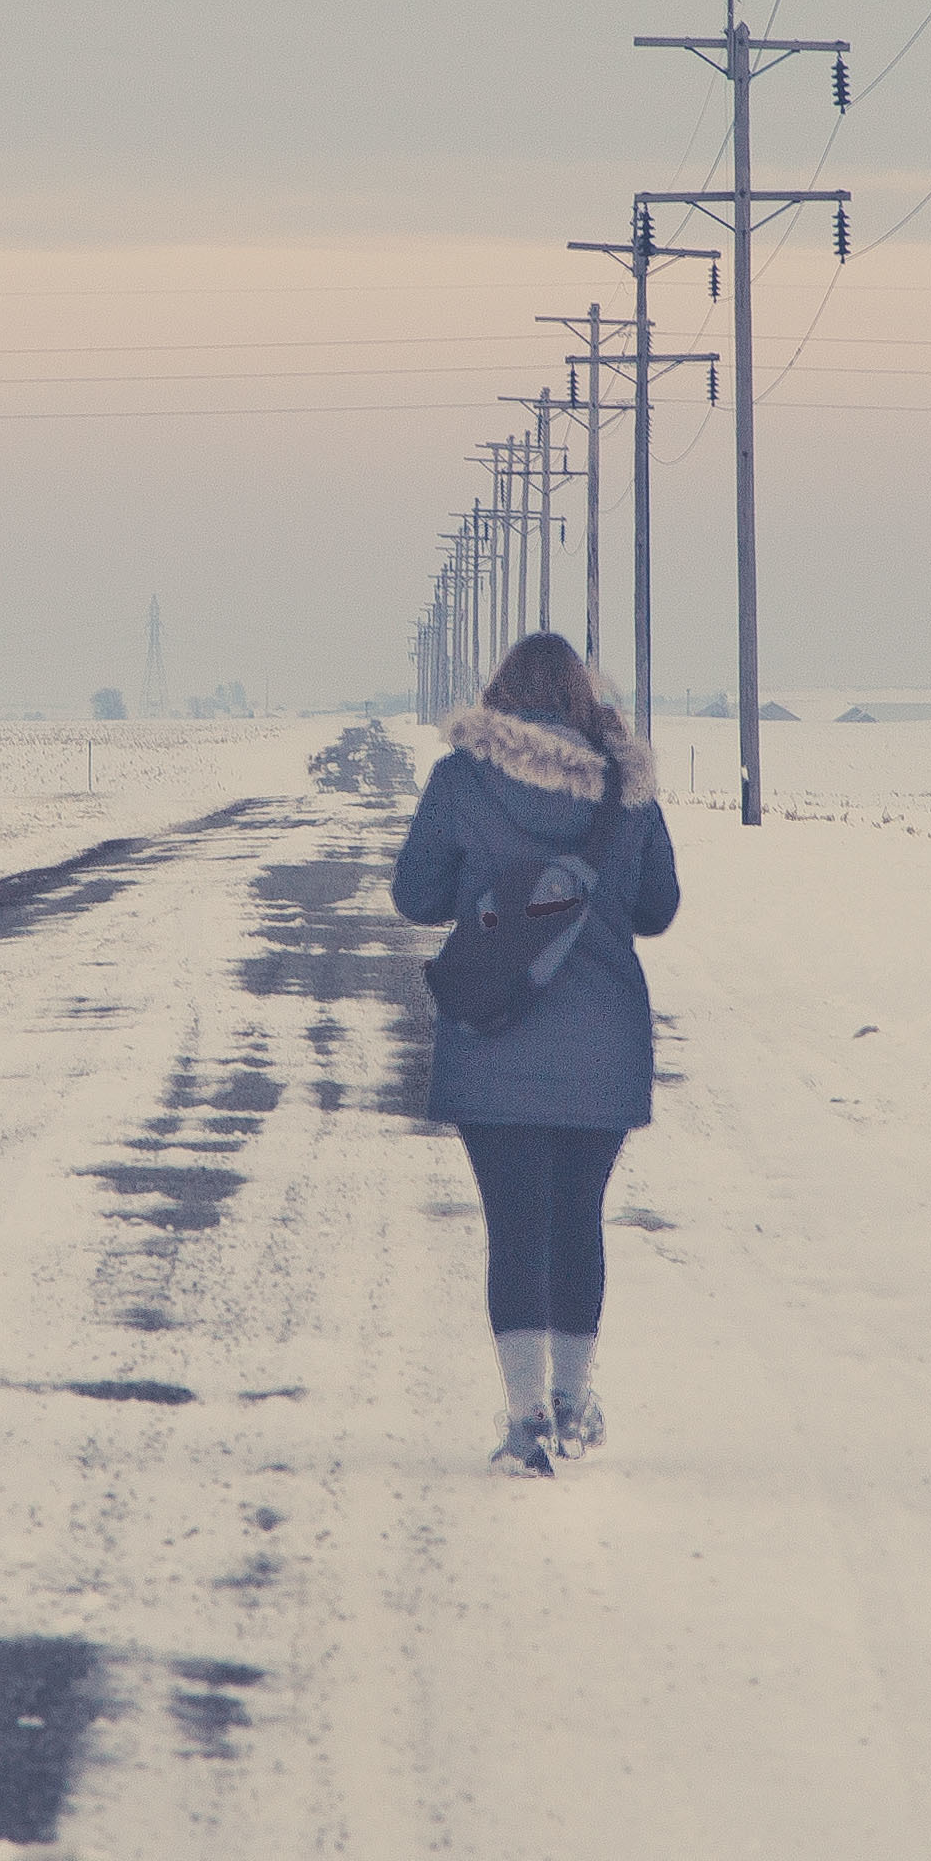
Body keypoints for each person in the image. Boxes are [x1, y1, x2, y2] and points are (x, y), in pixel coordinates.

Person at [388, 629, 682, 1476]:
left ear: (499, 694)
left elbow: (415, 893)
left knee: (515, 1229)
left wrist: (485, 889)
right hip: (604, 1040)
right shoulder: (626, 789)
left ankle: (523, 1423)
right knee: (577, 1222)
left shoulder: (463, 777)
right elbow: (658, 906)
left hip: (495, 1033)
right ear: (585, 697)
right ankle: (572, 1401)